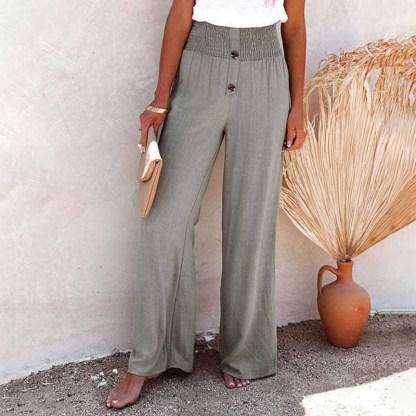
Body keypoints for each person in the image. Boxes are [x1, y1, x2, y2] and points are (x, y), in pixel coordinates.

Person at [107, 0, 307, 409]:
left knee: (251, 221)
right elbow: (181, 14)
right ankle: (151, 357)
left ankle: (246, 352)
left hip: (266, 76)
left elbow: (294, 25)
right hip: (200, 71)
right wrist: (161, 99)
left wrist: (297, 105)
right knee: (164, 220)